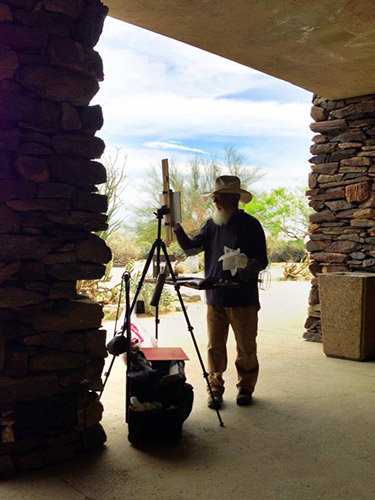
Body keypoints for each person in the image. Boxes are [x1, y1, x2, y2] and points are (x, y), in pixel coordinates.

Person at [174, 175, 268, 408]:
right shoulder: (211, 225)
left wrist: (245, 263)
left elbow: (263, 261)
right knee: (214, 347)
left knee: (246, 348)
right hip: (215, 297)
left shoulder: (251, 225)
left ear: (234, 198)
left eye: (220, 196)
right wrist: (176, 228)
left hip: (243, 298)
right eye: (214, 196)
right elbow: (192, 249)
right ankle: (214, 388)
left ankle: (245, 388)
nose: (214, 200)